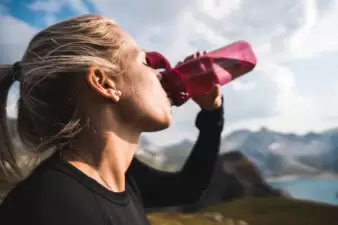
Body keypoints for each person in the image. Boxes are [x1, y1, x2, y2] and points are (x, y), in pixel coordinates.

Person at [0, 14, 224, 225]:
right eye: (146, 61)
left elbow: (189, 187)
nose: (161, 73)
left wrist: (212, 112)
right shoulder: (47, 209)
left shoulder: (124, 180)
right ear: (104, 82)